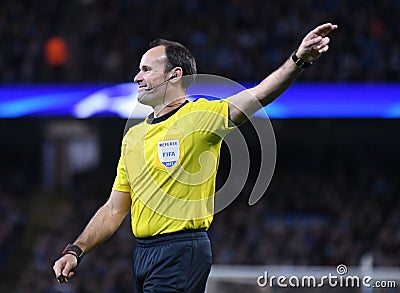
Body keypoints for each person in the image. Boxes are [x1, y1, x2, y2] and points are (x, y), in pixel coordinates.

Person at [53, 23, 337, 292]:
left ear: (175, 75)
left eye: (146, 69)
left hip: (181, 249)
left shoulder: (200, 117)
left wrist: (298, 59)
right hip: (142, 254)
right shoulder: (133, 137)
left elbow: (259, 95)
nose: (137, 77)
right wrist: (76, 250)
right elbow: (114, 209)